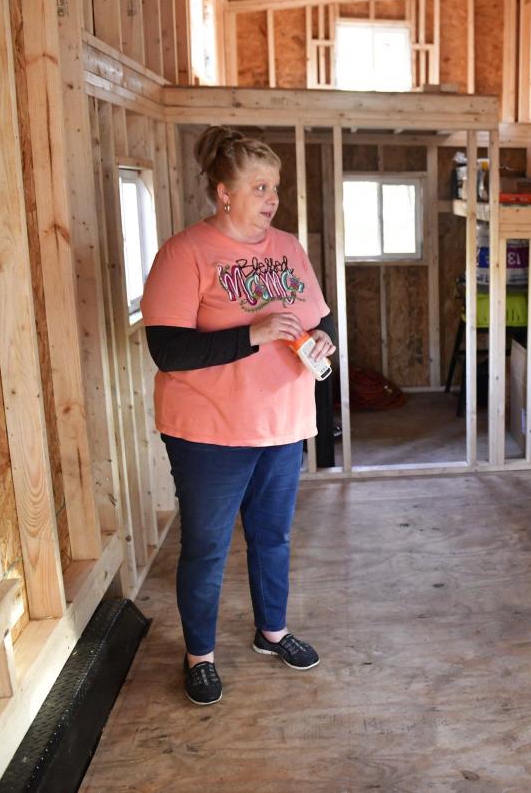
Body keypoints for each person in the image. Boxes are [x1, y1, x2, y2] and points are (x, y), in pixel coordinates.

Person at [141, 125, 336, 706]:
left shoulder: (288, 249)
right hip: (209, 430)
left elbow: (315, 319)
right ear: (224, 192)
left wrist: (322, 341)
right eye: (259, 186)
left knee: (272, 536)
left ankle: (270, 632)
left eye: (274, 186)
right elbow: (169, 349)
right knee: (206, 545)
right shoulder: (185, 253)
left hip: (282, 421)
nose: (271, 198)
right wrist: (249, 336)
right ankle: (199, 655)